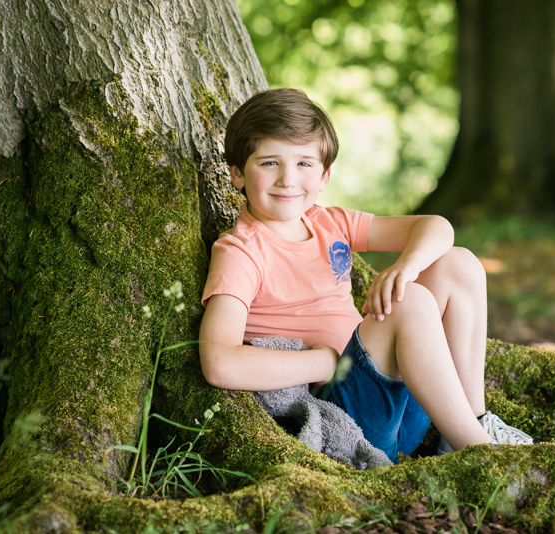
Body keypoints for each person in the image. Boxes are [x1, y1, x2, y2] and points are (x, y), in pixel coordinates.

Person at [199, 88, 531, 463]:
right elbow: (218, 362)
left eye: (304, 164)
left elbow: (436, 226)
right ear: (237, 174)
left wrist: (406, 266)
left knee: (459, 263)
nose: (288, 179)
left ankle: (472, 424)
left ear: (324, 176)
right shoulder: (241, 251)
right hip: (352, 417)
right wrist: (322, 363)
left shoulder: (329, 223)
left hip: (409, 402)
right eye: (270, 163)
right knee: (410, 304)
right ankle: (482, 457)